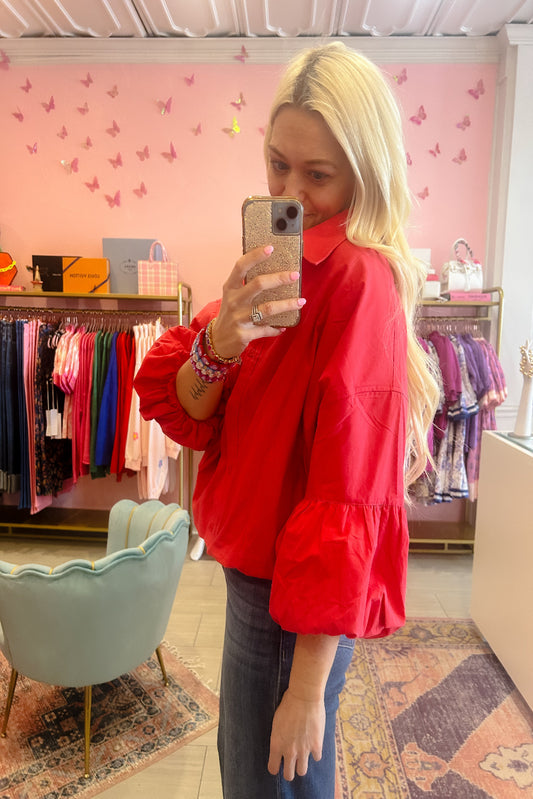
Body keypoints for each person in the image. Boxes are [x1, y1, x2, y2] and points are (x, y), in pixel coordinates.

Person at [134, 41, 439, 799]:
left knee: (266, 782)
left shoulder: (357, 279)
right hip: (257, 581)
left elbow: (347, 487)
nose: (290, 191)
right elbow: (188, 407)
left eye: (318, 174)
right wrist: (220, 340)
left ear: (365, 171)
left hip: (289, 602)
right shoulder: (280, 263)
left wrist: (306, 688)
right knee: (261, 777)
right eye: (277, 165)